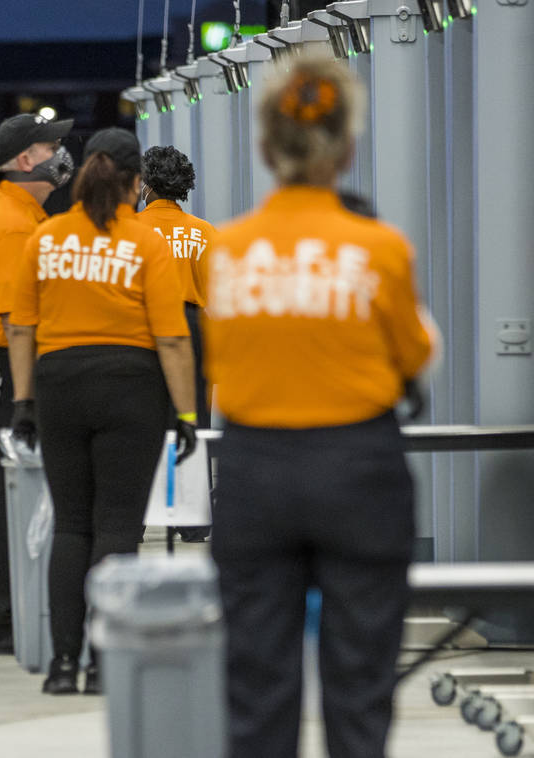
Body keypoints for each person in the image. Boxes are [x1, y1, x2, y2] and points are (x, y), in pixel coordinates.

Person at [202, 57, 439, 758]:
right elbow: (417, 354)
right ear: (349, 148)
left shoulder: (228, 252)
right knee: (360, 684)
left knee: (257, 685)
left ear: (265, 148)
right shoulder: (379, 249)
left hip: (253, 471)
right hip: (359, 470)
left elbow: (222, 352)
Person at [7, 127, 199, 695]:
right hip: (130, 386)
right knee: (117, 525)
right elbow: (172, 339)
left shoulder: (47, 238)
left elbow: (20, 325)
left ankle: (62, 664)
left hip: (60, 382)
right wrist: (186, 415)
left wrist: (23, 401)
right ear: (136, 183)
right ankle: (102, 663)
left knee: (71, 523)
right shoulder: (146, 242)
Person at [0, 112, 75, 655]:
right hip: (5, 367)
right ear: (27, 159)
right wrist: (26, 397)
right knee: (5, 488)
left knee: (5, 486)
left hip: (2, 366)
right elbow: (17, 321)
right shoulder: (12, 224)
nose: (61, 155)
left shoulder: (15, 213)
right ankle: (0, 618)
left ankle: (7, 609)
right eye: (54, 146)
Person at [137, 145, 219, 543]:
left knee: (137, 420)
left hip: (144, 327)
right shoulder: (205, 233)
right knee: (192, 421)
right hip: (194, 329)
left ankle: (133, 517)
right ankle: (193, 521)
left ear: (146, 184)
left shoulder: (130, 230)